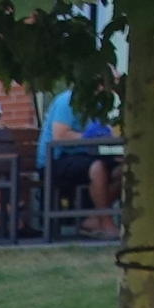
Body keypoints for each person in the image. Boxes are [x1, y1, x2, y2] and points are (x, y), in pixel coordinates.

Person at [39, 88, 120, 236]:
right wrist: (87, 137)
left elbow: (103, 130)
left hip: (83, 157)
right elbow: (60, 135)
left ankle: (94, 218)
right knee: (98, 168)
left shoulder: (98, 105)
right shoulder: (68, 100)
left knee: (125, 168)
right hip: (55, 160)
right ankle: (107, 223)